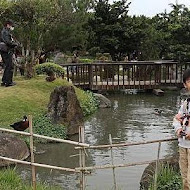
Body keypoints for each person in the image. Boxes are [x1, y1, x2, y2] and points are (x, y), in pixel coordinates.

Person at [173, 68, 190, 190]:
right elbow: (176, 119)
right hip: (183, 144)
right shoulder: (185, 103)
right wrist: (178, 129)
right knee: (184, 178)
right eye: (189, 81)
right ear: (185, 84)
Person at [0, 20, 18, 87]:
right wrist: (15, 44)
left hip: (5, 51)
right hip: (7, 51)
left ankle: (4, 81)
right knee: (10, 66)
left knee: (7, 66)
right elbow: (8, 42)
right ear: (8, 25)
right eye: (11, 25)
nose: (12, 27)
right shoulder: (5, 32)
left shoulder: (5, 31)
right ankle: (9, 82)